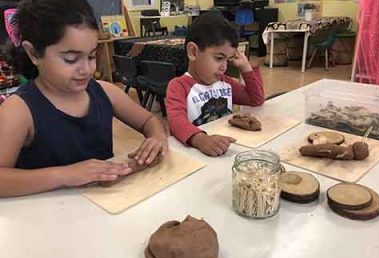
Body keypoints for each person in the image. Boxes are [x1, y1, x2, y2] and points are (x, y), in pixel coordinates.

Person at [0, 0, 168, 197]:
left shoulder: (105, 91)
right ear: (34, 53)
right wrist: (65, 175)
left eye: (91, 56)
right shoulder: (18, 110)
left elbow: (149, 120)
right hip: (48, 218)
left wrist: (156, 137)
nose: (86, 69)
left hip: (105, 208)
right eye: (70, 59)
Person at [166, 12, 265, 157]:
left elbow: (255, 100)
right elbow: (176, 122)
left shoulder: (224, 82)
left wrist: (246, 68)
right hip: (196, 155)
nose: (224, 67)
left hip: (226, 150)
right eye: (219, 58)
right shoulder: (179, 86)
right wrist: (201, 140)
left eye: (228, 60)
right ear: (193, 52)